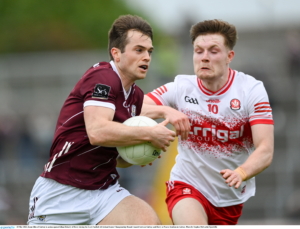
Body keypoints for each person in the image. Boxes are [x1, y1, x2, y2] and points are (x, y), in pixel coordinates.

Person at [27, 15, 176, 225]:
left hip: (104, 192)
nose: (147, 57)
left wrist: (136, 154)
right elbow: (97, 132)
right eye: (139, 50)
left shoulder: (135, 95)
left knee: (146, 221)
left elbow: (113, 157)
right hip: (61, 193)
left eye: (149, 51)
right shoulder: (102, 77)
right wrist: (150, 133)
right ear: (116, 53)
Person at [142, 19, 274, 225]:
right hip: (186, 184)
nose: (204, 58)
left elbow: (265, 149)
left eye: (213, 51)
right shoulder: (181, 87)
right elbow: (134, 106)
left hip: (229, 197)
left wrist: (241, 172)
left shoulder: (251, 90)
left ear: (229, 56)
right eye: (199, 51)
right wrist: (167, 110)